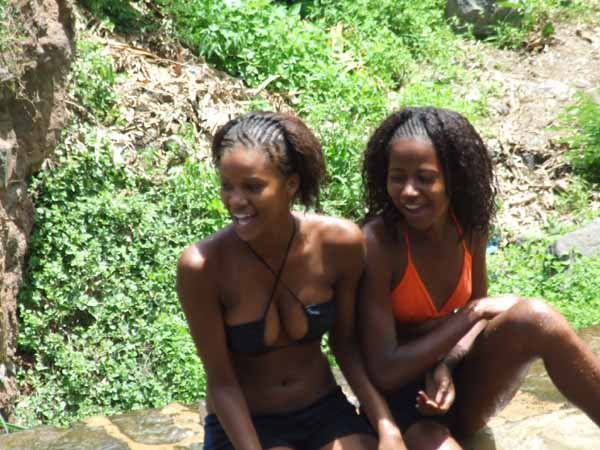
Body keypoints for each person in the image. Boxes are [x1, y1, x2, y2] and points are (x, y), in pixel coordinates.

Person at [358, 107, 600, 450]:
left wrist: (446, 363)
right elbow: (385, 371)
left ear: (453, 178)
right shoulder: (377, 243)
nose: (409, 191)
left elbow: (478, 323)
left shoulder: (469, 226)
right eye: (398, 177)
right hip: (402, 406)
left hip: (458, 379)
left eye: (425, 178)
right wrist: (473, 313)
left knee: (537, 318)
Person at [176, 111, 406, 450]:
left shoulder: (339, 243)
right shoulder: (204, 266)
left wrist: (387, 427)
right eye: (227, 186)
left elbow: (346, 345)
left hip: (323, 411)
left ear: (291, 185)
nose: (235, 200)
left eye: (253, 187)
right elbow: (221, 382)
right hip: (247, 423)